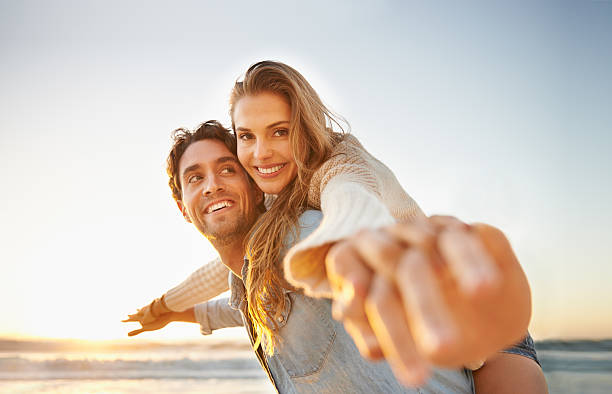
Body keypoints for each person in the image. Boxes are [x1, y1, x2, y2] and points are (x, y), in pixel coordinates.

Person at [127, 61, 543, 388]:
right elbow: (234, 283)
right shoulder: (271, 207)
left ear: (304, 128)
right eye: (247, 136)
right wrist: (163, 309)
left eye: (279, 131)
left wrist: (344, 249)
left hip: (477, 324)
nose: (261, 152)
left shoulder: (339, 168)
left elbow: (352, 206)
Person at [126, 121, 477, 393]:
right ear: (183, 208)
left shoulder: (302, 236)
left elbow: (377, 262)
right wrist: (168, 315)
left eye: (227, 169)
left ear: (254, 183)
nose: (212, 185)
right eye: (195, 177)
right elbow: (229, 310)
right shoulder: (245, 276)